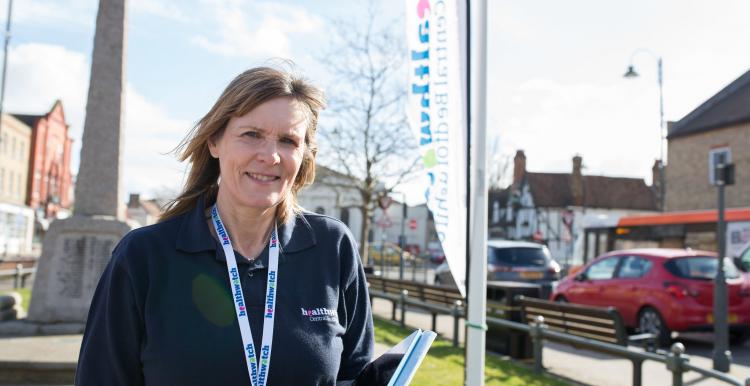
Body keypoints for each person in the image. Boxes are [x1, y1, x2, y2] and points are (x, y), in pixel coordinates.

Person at [75, 66, 374, 385]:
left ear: (304, 157)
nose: (270, 155)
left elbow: (355, 374)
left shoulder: (332, 247)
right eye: (252, 135)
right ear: (215, 142)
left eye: (288, 141)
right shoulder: (144, 256)